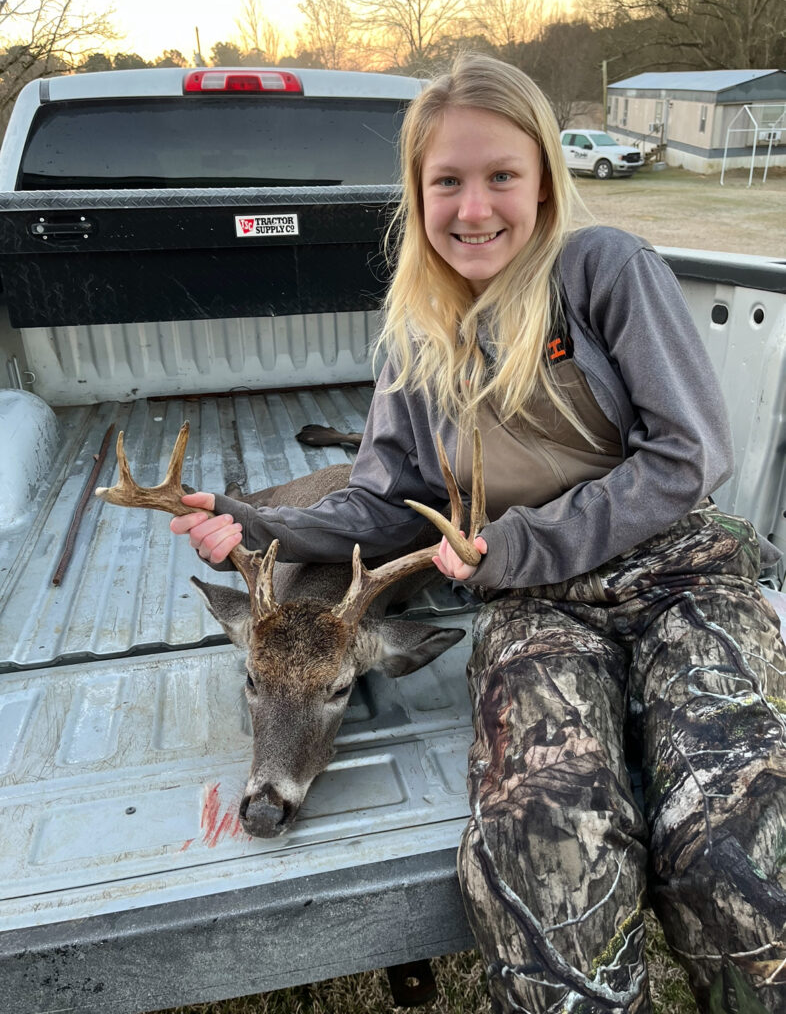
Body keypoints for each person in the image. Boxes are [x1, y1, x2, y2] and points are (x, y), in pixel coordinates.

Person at [170, 53, 786, 1014]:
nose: (474, 207)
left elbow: (687, 455)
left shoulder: (604, 270)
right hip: (531, 600)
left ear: (544, 175)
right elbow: (381, 502)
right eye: (446, 181)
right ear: (416, 195)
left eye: (501, 175)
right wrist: (255, 523)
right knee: (542, 846)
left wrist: (519, 545)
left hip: (673, 570)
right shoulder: (415, 339)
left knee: (736, 845)